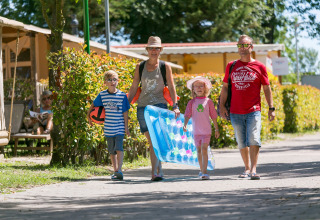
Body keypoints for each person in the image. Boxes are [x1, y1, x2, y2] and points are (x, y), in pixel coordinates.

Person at [219, 35, 275, 180]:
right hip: (235, 111)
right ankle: (246, 168)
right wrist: (221, 106)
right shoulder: (231, 65)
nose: (242, 48)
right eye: (240, 45)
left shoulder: (259, 66)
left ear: (251, 47)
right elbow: (225, 87)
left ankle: (254, 170)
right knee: (241, 141)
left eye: (245, 45)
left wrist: (271, 107)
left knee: (254, 139)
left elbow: (267, 88)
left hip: (253, 110)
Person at [127, 36, 180, 181]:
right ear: (147, 50)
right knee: (152, 140)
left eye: (157, 48)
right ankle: (158, 169)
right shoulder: (140, 67)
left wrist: (175, 106)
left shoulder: (164, 66)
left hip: (159, 106)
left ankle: (154, 172)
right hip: (143, 107)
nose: (154, 51)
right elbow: (134, 87)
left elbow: (171, 87)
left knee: (154, 140)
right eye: (151, 48)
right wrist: (126, 103)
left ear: (161, 50)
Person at [87, 70, 130, 181]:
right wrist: (89, 117)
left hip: (119, 127)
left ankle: (119, 170)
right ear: (105, 82)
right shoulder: (102, 95)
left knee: (119, 148)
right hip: (108, 128)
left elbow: (125, 112)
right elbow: (92, 106)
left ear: (118, 81)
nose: (112, 82)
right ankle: (115, 170)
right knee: (112, 151)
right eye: (109, 80)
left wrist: (126, 127)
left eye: (114, 79)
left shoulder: (122, 95)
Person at [183, 76, 220, 180]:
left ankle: (205, 172)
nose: (199, 88)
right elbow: (187, 114)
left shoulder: (208, 102)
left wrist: (216, 129)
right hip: (196, 131)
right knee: (198, 150)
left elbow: (213, 116)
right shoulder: (192, 102)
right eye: (196, 86)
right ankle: (201, 169)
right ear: (193, 89)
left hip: (206, 131)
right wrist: (185, 124)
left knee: (204, 149)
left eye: (201, 86)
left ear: (205, 88)